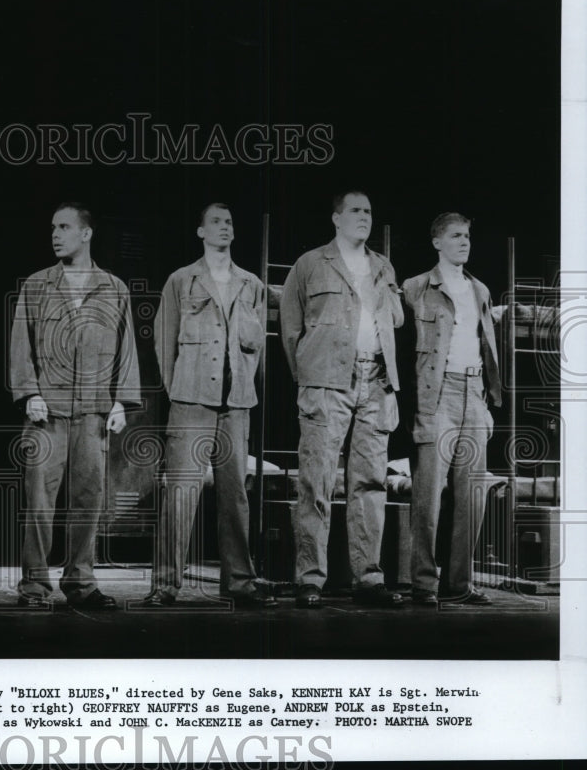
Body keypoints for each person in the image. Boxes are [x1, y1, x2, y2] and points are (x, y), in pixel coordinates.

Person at [143, 203, 276, 607]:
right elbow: (163, 341)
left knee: (235, 495)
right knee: (181, 493)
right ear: (201, 231)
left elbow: (256, 345)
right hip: (191, 400)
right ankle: (165, 584)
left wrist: (243, 383)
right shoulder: (182, 280)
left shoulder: (250, 283)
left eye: (229, 222)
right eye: (215, 222)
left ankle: (239, 581)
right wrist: (179, 387)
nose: (224, 228)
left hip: (235, 404)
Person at [9, 202, 141, 609]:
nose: (55, 234)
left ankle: (81, 584)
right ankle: (34, 587)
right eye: (53, 227)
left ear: (86, 234)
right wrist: (28, 392)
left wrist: (121, 400)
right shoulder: (36, 285)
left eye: (64, 227)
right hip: (46, 411)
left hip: (93, 412)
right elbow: (21, 345)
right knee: (39, 504)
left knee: (88, 501)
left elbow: (127, 348)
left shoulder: (114, 288)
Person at [279, 190, 404, 608]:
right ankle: (309, 579)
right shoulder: (311, 264)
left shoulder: (382, 266)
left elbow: (397, 321)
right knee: (316, 480)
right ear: (336, 218)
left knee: (369, 483)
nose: (364, 217)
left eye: (369, 211)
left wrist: (387, 292)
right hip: (326, 381)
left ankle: (368, 578)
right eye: (355, 210)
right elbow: (291, 329)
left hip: (377, 379)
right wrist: (310, 378)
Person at [403, 213, 501, 606]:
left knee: (472, 494)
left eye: (468, 236)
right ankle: (423, 583)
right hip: (436, 393)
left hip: (473, 391)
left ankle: (459, 584)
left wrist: (486, 401)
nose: (465, 242)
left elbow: (487, 348)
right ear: (437, 242)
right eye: (456, 236)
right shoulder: (415, 288)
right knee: (428, 493)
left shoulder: (480, 290)